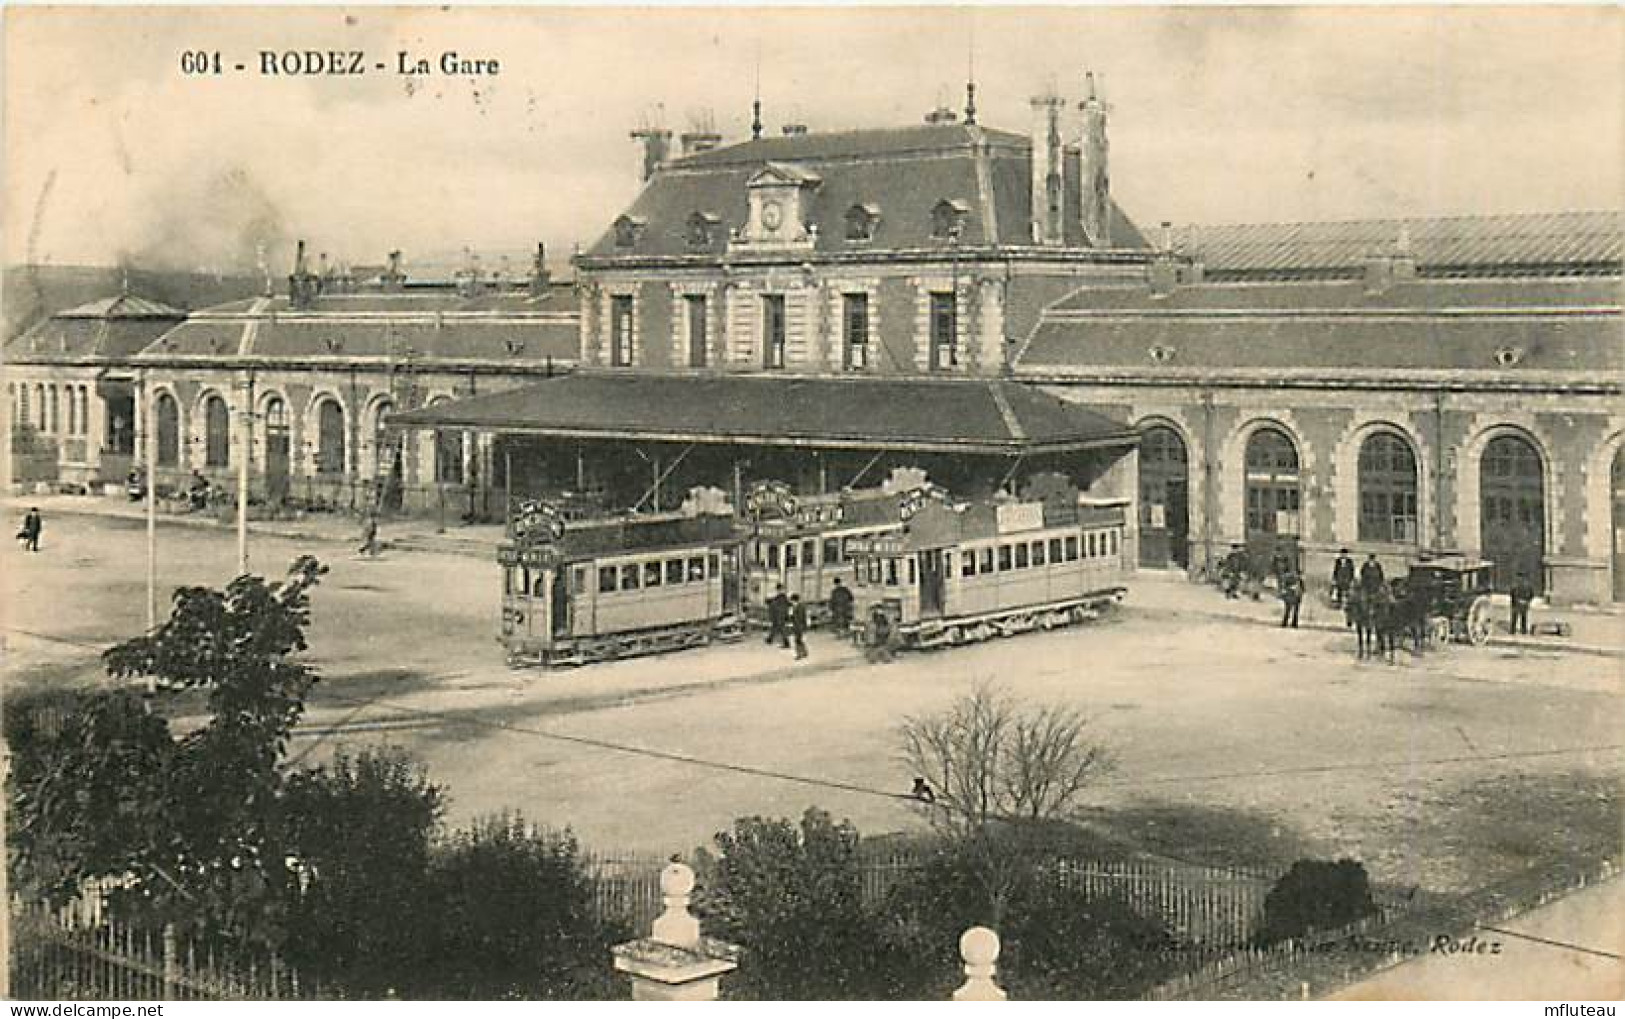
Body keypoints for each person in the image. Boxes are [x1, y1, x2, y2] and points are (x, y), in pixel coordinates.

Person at [765, 584, 790, 648]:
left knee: (781, 628)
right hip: (779, 615)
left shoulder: (781, 597)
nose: (780, 590)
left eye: (780, 589)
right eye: (779, 589)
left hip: (779, 615)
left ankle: (786, 642)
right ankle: (769, 639)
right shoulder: (781, 597)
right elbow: (786, 606)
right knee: (775, 627)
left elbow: (782, 606)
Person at [789, 593, 809, 660]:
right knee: (799, 640)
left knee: (797, 640)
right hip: (798, 626)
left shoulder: (799, 607)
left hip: (799, 626)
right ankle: (804, 652)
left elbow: (799, 618)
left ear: (794, 600)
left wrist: (792, 615)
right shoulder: (797, 606)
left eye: (791, 600)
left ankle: (799, 654)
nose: (791, 602)